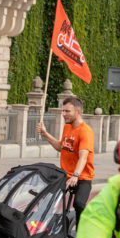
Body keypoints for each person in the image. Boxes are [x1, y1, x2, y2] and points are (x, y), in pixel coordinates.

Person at [36, 96, 94, 226]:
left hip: (82, 177)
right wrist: (45, 134)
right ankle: (41, 227)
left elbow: (83, 156)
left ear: (78, 112)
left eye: (67, 111)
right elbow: (61, 147)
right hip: (65, 175)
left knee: (78, 203)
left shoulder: (86, 131)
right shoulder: (67, 127)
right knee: (47, 198)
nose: (63, 114)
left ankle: (82, 229)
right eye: (63, 111)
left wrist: (75, 175)